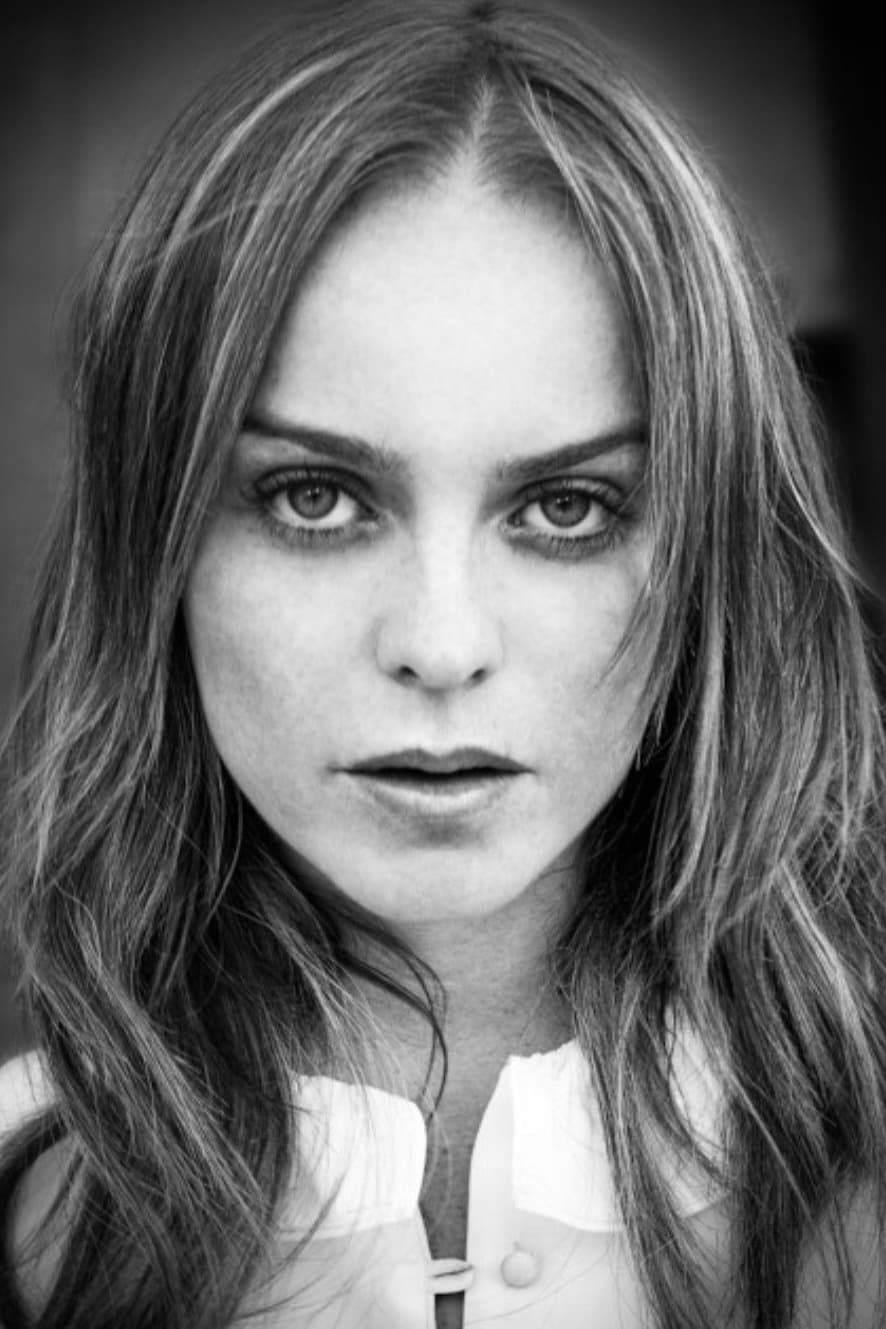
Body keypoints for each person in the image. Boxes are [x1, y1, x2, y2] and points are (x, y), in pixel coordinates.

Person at [1, 1, 884, 1325]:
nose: (439, 644)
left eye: (568, 507)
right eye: (312, 497)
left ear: (709, 558)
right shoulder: (22, 1195)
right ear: (157, 548)